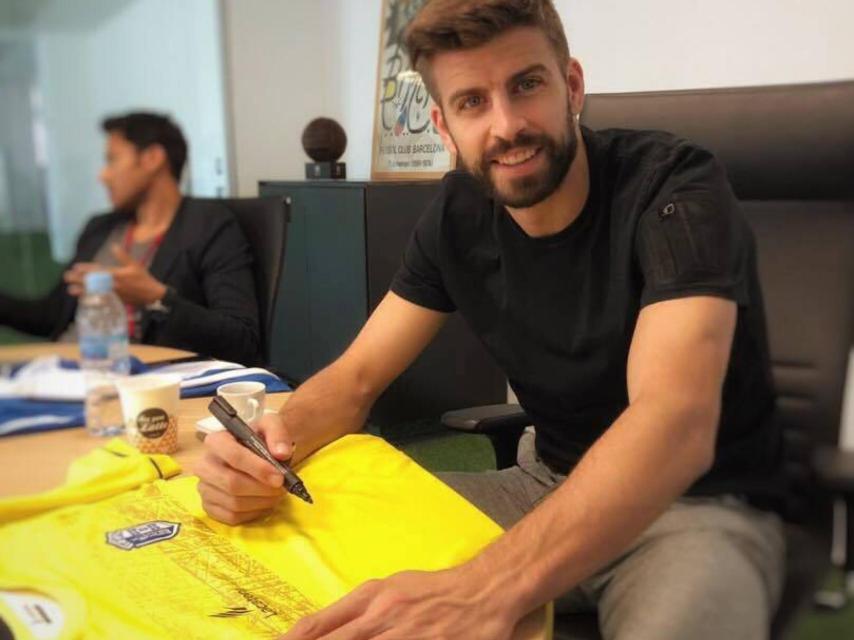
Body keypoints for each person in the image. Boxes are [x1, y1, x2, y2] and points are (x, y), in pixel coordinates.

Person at [195, 1, 786, 638]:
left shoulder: (674, 187)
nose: (507, 126)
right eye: (473, 102)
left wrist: (488, 586)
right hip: (545, 483)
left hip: (698, 504)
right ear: (444, 126)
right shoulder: (458, 216)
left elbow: (674, 422)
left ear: (573, 86)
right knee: (302, 524)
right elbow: (356, 378)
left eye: (526, 85)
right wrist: (267, 448)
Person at [0, 112, 260, 364]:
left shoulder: (208, 226)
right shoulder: (100, 227)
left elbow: (241, 339)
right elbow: (51, 315)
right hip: (59, 372)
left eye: (112, 160)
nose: (103, 175)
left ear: (152, 158)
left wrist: (157, 298)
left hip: (130, 381)